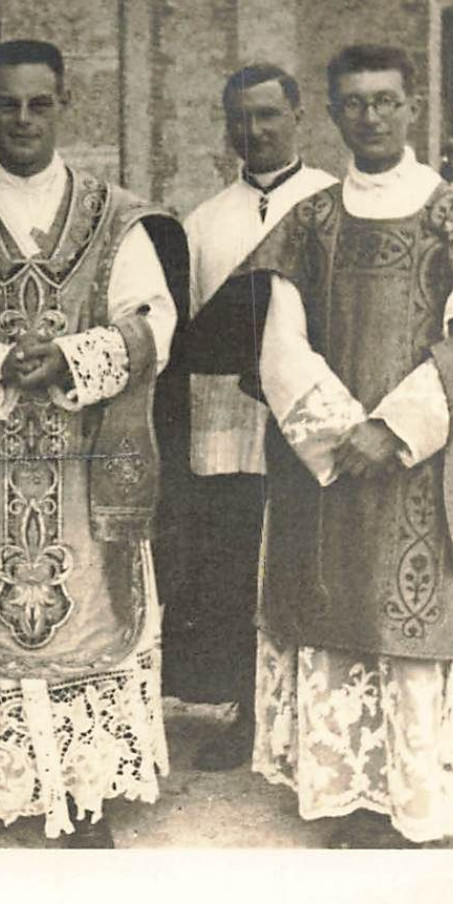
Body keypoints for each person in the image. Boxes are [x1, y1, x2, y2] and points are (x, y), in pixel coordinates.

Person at [244, 44, 453, 848]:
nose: (371, 117)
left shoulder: (452, 213)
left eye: (386, 100)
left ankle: (413, 795)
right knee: (333, 612)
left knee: (413, 627)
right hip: (328, 464)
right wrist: (336, 430)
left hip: (422, 465)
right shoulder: (309, 221)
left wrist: (394, 430)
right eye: (353, 103)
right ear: (333, 112)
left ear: (412, 105)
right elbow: (281, 341)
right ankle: (343, 788)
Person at [0, 39, 185, 847]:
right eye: (7, 103)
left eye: (38, 102)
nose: (22, 119)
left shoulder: (114, 216)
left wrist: (77, 357)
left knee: (83, 616)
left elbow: (154, 317)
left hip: (84, 465)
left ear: (62, 106)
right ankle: (0, 784)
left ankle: (83, 793)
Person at [161, 63, 334, 770]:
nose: (254, 131)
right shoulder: (204, 222)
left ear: (296, 115)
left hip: (311, 423)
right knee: (235, 568)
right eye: (240, 118)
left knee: (306, 560)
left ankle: (313, 709)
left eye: (268, 115)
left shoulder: (332, 202)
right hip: (230, 425)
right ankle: (246, 706)